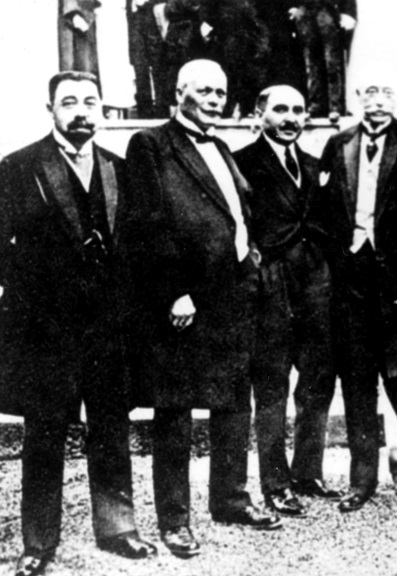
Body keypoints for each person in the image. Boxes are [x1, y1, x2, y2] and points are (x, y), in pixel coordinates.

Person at [0, 71, 157, 576]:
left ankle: (119, 527)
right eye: (70, 102)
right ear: (50, 108)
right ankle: (39, 543)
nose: (81, 111)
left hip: (107, 328)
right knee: (45, 433)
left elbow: (139, 243)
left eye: (90, 102)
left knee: (110, 427)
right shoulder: (19, 168)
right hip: (44, 330)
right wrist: (29, 285)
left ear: (101, 110)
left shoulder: (119, 169)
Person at [123, 59, 282, 559]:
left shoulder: (222, 147)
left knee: (234, 401)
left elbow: (240, 212)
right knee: (176, 411)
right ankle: (175, 521)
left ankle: (231, 499)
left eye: (222, 92)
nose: (216, 99)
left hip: (233, 293)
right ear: (178, 94)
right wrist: (173, 291)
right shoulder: (151, 144)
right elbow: (145, 224)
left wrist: (250, 258)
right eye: (205, 91)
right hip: (186, 301)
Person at [316, 70, 397, 512]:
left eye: (387, 92)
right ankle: (361, 479)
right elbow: (325, 212)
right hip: (351, 282)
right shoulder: (339, 144)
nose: (378, 101)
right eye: (370, 92)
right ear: (357, 98)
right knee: (356, 384)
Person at [234, 84, 343, 517]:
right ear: (260, 114)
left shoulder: (316, 165)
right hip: (270, 284)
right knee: (273, 384)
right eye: (280, 109)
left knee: (317, 379)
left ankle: (308, 472)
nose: (291, 117)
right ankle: (275, 484)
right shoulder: (240, 162)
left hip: (316, 282)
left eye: (298, 110)